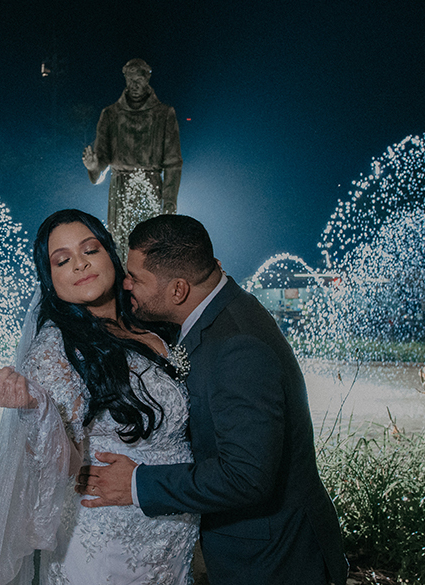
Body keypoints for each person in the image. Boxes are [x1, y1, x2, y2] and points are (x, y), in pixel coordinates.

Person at [0, 209, 197, 585]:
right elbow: (67, 464)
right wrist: (34, 410)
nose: (79, 264)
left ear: (110, 254)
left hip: (175, 528)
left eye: (89, 250)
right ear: (51, 279)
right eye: (62, 260)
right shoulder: (55, 349)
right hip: (109, 541)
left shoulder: (152, 325)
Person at [78, 214, 348, 585]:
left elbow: (246, 476)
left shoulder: (238, 346)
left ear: (178, 290)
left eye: (136, 277)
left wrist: (138, 483)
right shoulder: (219, 311)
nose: (126, 284)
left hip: (272, 560)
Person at [82, 58, 182, 252]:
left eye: (139, 80)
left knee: (151, 246)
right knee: (121, 245)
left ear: (147, 80)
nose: (134, 85)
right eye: (130, 80)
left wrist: (169, 205)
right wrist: (94, 166)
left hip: (151, 186)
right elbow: (102, 157)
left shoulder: (164, 114)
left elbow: (173, 163)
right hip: (120, 188)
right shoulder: (110, 114)